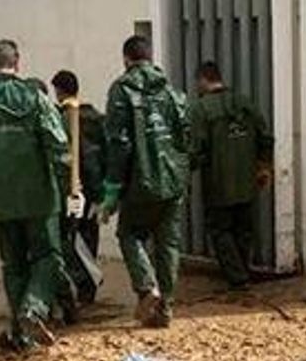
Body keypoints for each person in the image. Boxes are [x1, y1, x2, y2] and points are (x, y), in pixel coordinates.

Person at [0, 39, 70, 351]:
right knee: (48, 257)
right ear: (18, 63)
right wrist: (69, 187)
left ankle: (22, 336)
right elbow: (59, 145)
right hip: (39, 197)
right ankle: (33, 310)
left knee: (13, 265)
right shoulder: (34, 98)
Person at [100, 35, 190, 328]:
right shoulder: (172, 91)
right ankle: (166, 308)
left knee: (129, 234)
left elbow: (119, 143)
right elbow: (185, 136)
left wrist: (112, 190)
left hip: (141, 182)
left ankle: (146, 287)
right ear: (150, 57)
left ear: (126, 58)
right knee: (168, 245)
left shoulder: (121, 90)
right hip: (173, 182)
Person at [188, 60, 273, 291]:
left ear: (203, 80)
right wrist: (264, 166)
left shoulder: (201, 109)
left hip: (218, 184)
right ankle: (242, 272)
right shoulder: (244, 102)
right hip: (247, 183)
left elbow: (195, 149)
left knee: (220, 230)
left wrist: (183, 172)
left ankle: (238, 278)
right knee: (243, 229)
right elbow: (265, 136)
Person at [51, 69, 107, 311]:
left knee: (70, 241)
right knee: (89, 237)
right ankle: (88, 289)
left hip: (73, 190)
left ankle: (86, 284)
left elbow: (81, 157)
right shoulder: (96, 117)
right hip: (94, 190)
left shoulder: (66, 118)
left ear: (59, 91)